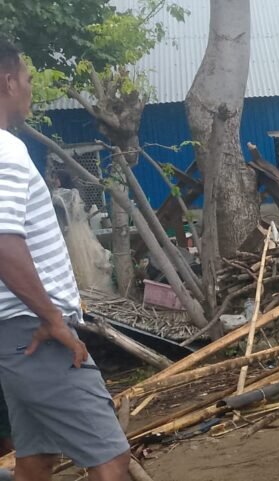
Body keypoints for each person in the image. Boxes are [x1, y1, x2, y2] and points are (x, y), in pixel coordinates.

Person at [0, 39, 131, 480]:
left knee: (35, 461)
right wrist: (54, 319)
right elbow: (2, 243)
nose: (31, 90)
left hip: (15, 335)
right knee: (111, 458)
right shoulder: (5, 150)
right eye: (29, 79)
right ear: (8, 80)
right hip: (36, 331)